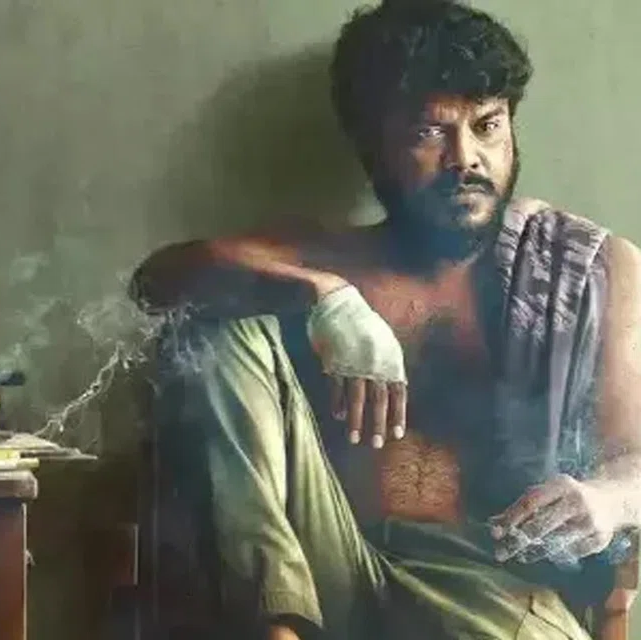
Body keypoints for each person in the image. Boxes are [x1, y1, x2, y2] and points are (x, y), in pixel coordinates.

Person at [129, 1, 641, 639]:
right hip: (326, 570)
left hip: (490, 582)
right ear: (374, 147)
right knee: (219, 321)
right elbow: (158, 281)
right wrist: (324, 297)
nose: (466, 158)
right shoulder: (324, 256)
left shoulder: (586, 268)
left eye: (487, 125)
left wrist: (607, 500)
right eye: (430, 133)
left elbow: (636, 461)